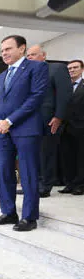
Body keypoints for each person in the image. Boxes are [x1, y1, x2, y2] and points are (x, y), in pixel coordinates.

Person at [0, 35, 48, 232]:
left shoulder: (36, 68)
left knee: (28, 172)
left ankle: (29, 217)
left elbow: (36, 97)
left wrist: (10, 120)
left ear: (22, 49)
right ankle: (8, 212)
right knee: (4, 171)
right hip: (2, 131)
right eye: (2, 50)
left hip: (26, 128)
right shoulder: (1, 76)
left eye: (8, 49)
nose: (4, 53)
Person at [26, 45, 72, 198]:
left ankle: (45, 186)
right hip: (31, 121)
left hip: (50, 120)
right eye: (28, 55)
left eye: (33, 54)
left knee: (47, 154)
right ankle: (33, 185)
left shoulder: (57, 68)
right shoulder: (29, 73)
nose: (30, 57)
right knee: (33, 155)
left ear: (43, 55)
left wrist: (59, 116)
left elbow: (65, 94)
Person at [59, 60, 84, 196]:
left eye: (75, 68)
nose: (72, 70)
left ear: (82, 69)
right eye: (69, 68)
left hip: (81, 128)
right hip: (64, 128)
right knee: (66, 157)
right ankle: (69, 184)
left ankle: (80, 185)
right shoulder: (63, 87)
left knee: (80, 158)